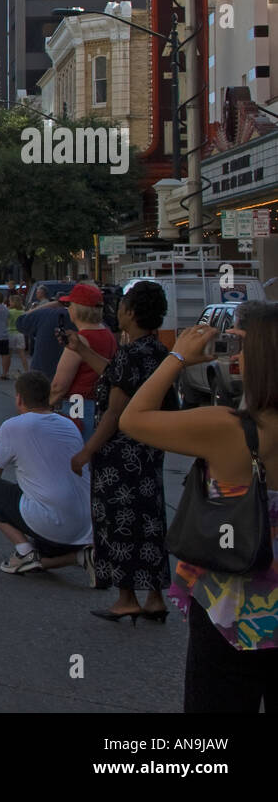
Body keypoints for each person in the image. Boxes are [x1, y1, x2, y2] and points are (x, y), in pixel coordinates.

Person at [120, 302, 278, 712]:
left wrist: (176, 358)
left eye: (242, 347)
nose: (236, 356)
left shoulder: (228, 429)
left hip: (234, 608)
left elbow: (133, 419)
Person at [67, 281, 177, 622]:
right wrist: (83, 351)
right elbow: (119, 376)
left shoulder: (130, 353)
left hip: (120, 457)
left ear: (131, 312)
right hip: (149, 452)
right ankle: (156, 596)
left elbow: (115, 412)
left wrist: (86, 452)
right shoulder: (157, 352)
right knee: (150, 521)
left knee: (118, 524)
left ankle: (126, 596)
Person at [0, 371, 94, 574]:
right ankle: (79, 556)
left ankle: (24, 551)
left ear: (19, 398)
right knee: (44, 547)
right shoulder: (69, 425)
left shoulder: (13, 426)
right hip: (84, 525)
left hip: (51, 523)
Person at [49, 283, 118, 439]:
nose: (69, 309)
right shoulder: (107, 334)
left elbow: (59, 385)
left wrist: (46, 405)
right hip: (100, 405)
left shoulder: (79, 341)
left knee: (77, 447)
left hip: (78, 404)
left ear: (78, 309)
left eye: (70, 305)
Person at [17, 292, 73, 381]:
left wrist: (48, 305)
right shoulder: (79, 318)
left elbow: (20, 321)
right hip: (71, 377)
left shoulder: (45, 314)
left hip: (42, 374)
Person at [7, 293, 29, 377]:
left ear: (13, 302)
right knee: (22, 354)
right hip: (20, 334)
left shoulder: (10, 312)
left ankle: (7, 371)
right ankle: (26, 371)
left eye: (10, 301)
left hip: (11, 333)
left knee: (9, 354)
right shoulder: (23, 312)